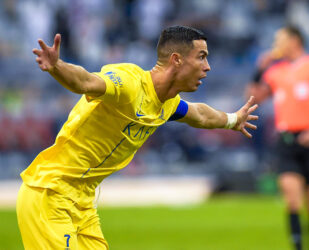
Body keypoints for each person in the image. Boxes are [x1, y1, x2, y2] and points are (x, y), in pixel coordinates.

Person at [17, 26, 259, 249]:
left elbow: (200, 115)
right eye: (202, 57)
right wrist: (58, 66)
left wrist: (232, 120)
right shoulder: (129, 83)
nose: (208, 67)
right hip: (50, 192)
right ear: (177, 59)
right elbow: (86, 81)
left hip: (82, 202)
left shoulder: (166, 103)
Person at [247, 25, 309, 250]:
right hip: (286, 140)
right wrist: (259, 69)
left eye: (280, 39)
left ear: (295, 41)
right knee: (292, 199)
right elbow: (253, 99)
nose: (276, 44)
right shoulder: (274, 71)